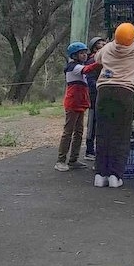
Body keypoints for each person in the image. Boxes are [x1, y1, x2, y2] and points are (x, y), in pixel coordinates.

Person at [93, 21, 134, 188]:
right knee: (121, 134)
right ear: (132, 38)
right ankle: (115, 176)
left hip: (103, 91)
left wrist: (111, 42)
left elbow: (97, 59)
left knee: (103, 133)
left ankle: (100, 174)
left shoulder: (108, 48)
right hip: (124, 93)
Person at [54, 42, 101, 172]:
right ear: (74, 55)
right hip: (73, 103)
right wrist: (101, 61)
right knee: (68, 132)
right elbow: (87, 69)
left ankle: (73, 160)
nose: (85, 55)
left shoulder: (79, 66)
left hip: (80, 104)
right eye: (81, 53)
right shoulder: (72, 67)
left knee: (79, 133)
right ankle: (61, 160)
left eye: (85, 52)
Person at [84, 36, 106, 160]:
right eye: (99, 43)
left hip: (102, 94)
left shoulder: (104, 58)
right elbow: (90, 79)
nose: (102, 44)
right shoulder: (92, 60)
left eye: (103, 42)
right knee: (92, 123)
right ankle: (89, 150)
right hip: (94, 96)